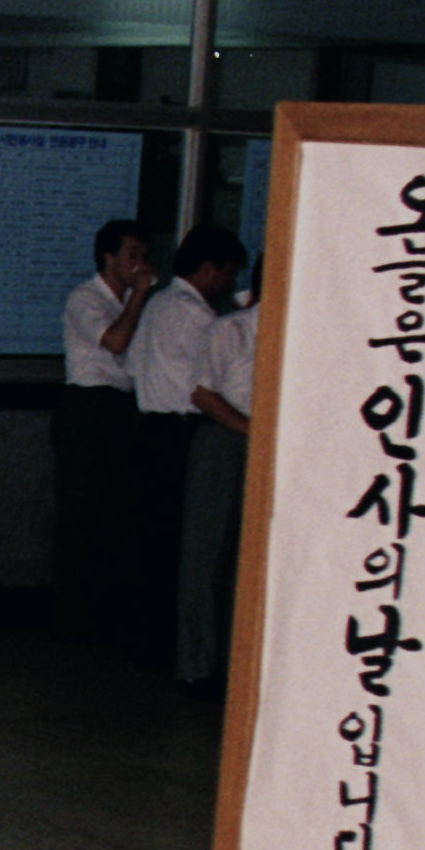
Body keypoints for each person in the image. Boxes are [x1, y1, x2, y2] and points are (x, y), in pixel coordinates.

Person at [129, 223, 245, 671]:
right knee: (191, 547)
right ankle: (183, 648)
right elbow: (215, 380)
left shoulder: (161, 303)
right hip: (182, 433)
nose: (229, 283)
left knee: (157, 540)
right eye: (228, 273)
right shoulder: (197, 316)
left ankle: (154, 641)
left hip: (151, 428)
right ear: (209, 267)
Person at [58, 219, 159, 647]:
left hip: (121, 406)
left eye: (144, 255)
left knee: (117, 513)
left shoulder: (134, 301)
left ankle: (106, 616)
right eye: (131, 255)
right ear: (109, 258)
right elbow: (115, 342)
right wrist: (139, 295)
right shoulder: (86, 298)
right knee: (82, 513)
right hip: (88, 406)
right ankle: (73, 619)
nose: (139, 264)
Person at [172, 249, 261, 694]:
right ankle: (199, 666)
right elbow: (203, 394)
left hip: (275, 449)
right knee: (208, 557)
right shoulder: (232, 330)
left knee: (254, 561)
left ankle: (241, 664)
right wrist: (253, 431)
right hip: (229, 442)